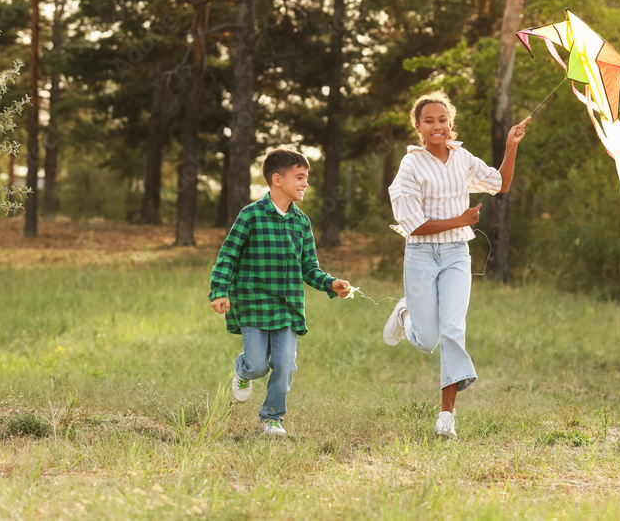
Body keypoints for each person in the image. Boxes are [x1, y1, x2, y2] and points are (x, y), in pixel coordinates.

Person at [383, 89, 529, 439]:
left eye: (443, 120)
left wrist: (512, 145)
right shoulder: (411, 164)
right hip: (420, 254)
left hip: (456, 255)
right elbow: (414, 224)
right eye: (429, 121)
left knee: (452, 329)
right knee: (427, 338)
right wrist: (460, 219)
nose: (438, 127)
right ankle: (405, 313)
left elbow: (501, 183)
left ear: (451, 123)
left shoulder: (462, 158)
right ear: (417, 126)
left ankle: (447, 415)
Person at [209, 149, 351, 437]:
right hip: (254, 305)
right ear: (277, 179)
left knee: (285, 365)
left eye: (306, 178)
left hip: (287, 307)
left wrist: (330, 283)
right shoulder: (250, 216)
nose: (305, 184)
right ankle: (243, 368)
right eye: (299, 177)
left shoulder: (302, 223)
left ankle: (272, 418)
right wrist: (219, 291)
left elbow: (309, 267)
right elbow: (228, 256)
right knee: (258, 365)